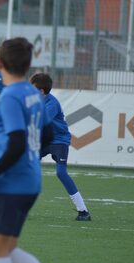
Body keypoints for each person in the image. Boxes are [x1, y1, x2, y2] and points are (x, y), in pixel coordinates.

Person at [0, 37, 67, 263]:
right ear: (27, 66)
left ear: (1, 62)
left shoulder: (10, 97)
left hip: (12, 183)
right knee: (7, 247)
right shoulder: (32, 93)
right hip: (29, 179)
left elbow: (16, 144)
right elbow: (47, 135)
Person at [30, 72, 91, 221]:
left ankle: (83, 211)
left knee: (61, 173)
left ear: (41, 91)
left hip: (59, 140)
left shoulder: (51, 103)